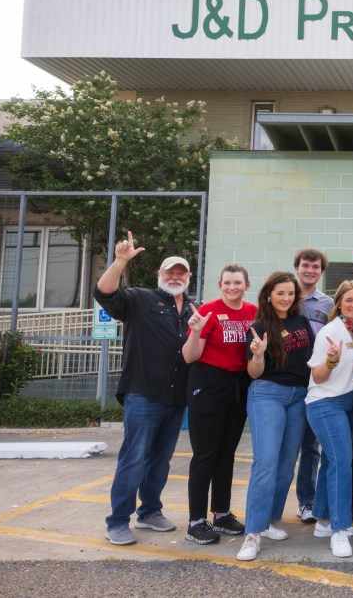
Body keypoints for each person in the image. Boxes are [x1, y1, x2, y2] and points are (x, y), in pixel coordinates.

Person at [96, 231, 193, 546]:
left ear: (189, 277)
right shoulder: (140, 299)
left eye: (181, 272)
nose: (175, 276)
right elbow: (104, 292)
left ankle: (150, 511)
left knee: (161, 460)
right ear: (159, 275)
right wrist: (121, 261)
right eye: (170, 271)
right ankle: (117, 521)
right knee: (133, 458)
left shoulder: (195, 311)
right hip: (143, 395)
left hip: (176, 398)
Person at [236, 272, 315, 562]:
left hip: (299, 396)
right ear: (269, 294)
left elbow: (312, 359)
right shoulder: (258, 327)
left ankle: (269, 521)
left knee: (285, 466)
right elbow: (253, 372)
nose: (286, 298)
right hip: (267, 393)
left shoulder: (302, 322)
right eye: (281, 293)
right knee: (266, 463)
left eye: (291, 294)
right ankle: (253, 533)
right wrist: (258, 355)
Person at [180, 263, 257, 545]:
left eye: (237, 282)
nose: (232, 287)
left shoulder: (252, 313)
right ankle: (196, 521)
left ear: (246, 285)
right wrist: (197, 331)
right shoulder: (207, 312)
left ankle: (221, 513)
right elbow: (190, 357)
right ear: (219, 285)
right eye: (227, 283)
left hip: (237, 387)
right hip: (208, 385)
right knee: (205, 454)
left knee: (227, 453)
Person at [305, 280, 353, 558]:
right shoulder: (331, 331)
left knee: (332, 461)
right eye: (349, 300)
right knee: (343, 462)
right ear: (338, 302)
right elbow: (318, 376)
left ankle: (324, 520)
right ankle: (340, 529)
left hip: (347, 401)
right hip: (325, 401)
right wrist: (331, 360)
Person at [293, 248, 334, 524]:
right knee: (285, 446)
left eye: (315, 267)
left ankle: (306, 501)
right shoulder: (284, 294)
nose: (310, 270)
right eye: (305, 265)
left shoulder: (328, 304)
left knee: (311, 444)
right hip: (288, 378)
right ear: (297, 268)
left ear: (321, 271)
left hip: (317, 380)